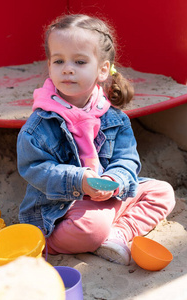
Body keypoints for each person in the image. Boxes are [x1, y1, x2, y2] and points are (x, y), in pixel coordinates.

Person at [17, 14, 175, 265]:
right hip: (66, 203)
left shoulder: (114, 118)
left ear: (102, 70)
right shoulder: (40, 125)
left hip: (108, 193)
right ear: (49, 67)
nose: (67, 68)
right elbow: (34, 168)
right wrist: (78, 180)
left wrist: (114, 180)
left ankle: (118, 234)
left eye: (79, 61)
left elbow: (127, 159)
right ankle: (50, 243)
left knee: (162, 192)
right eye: (59, 61)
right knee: (91, 227)